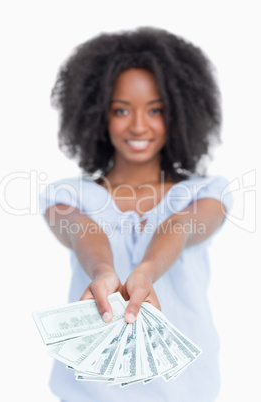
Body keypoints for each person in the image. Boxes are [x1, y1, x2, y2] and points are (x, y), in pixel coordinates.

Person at [39, 26, 233, 402]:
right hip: (89, 390)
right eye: (121, 110)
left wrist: (145, 272)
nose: (139, 125)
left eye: (156, 109)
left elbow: (180, 228)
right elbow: (83, 231)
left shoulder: (205, 194)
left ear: (179, 112)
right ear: (98, 115)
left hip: (185, 389)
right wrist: (103, 272)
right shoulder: (68, 196)